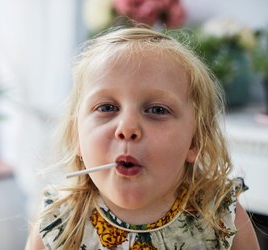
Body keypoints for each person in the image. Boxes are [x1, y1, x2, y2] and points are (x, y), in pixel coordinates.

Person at [25, 27, 260, 249]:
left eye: (157, 110)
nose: (127, 128)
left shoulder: (222, 216)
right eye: (106, 107)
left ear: (195, 140)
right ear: (77, 135)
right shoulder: (55, 224)